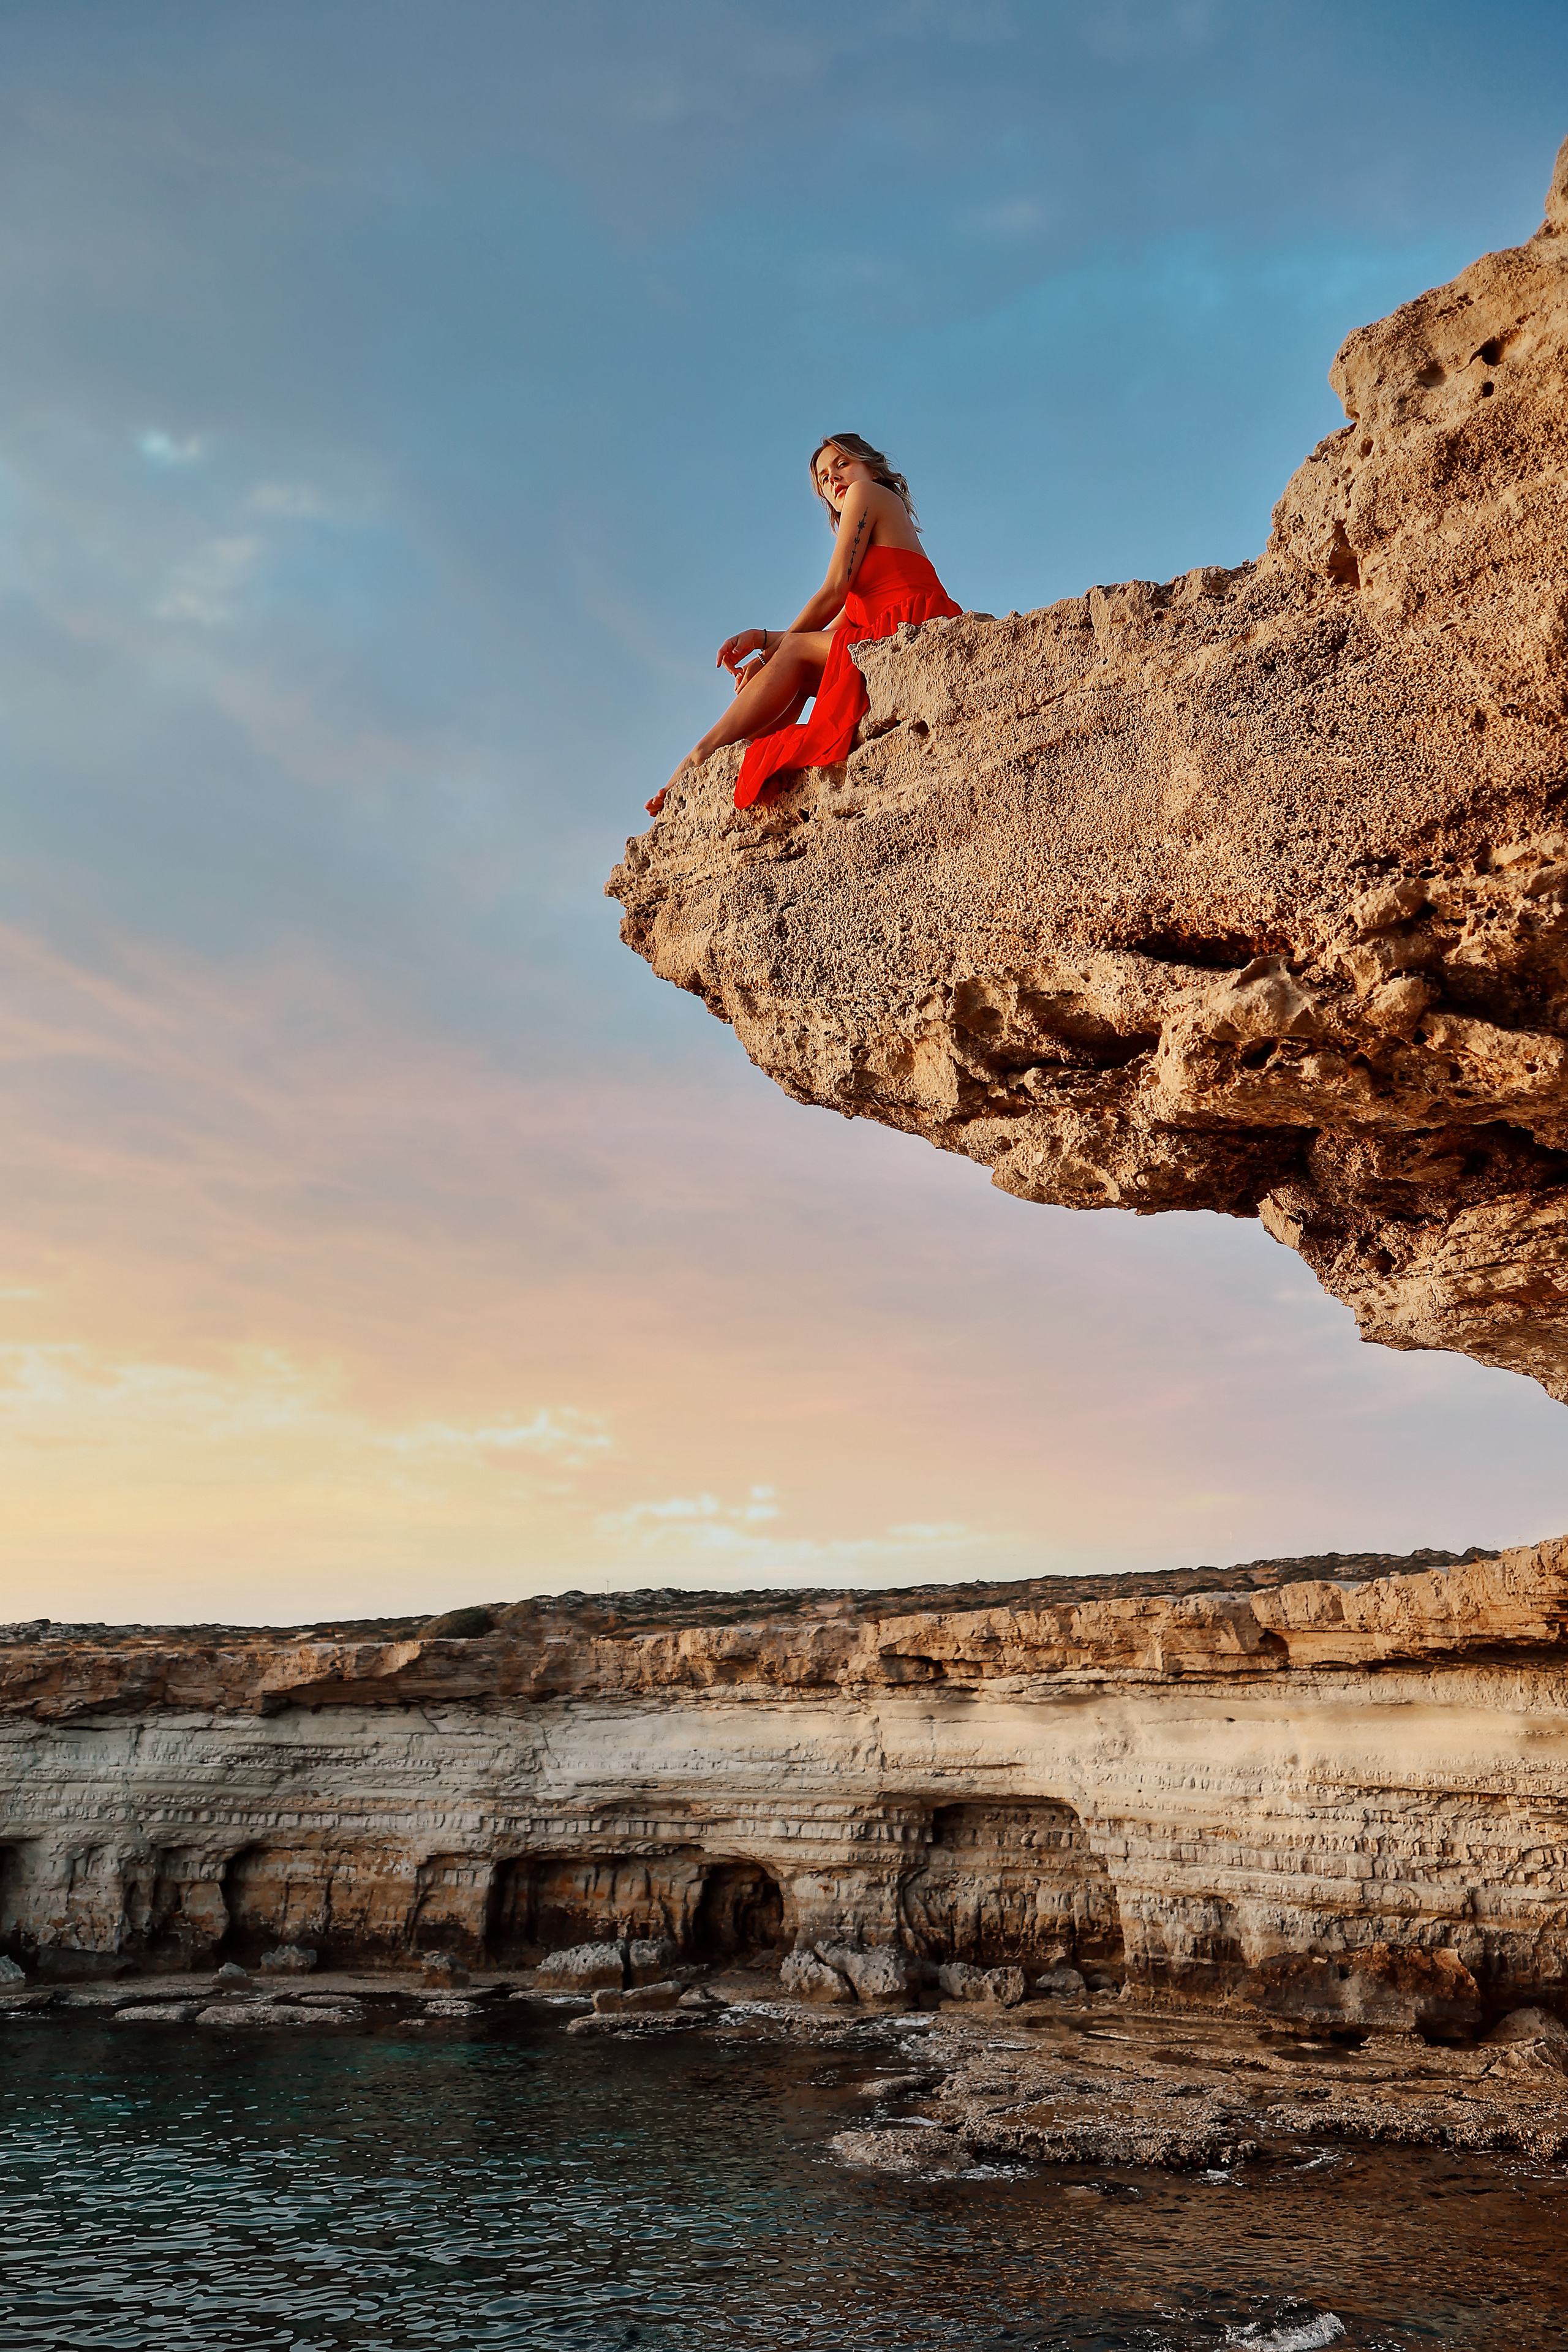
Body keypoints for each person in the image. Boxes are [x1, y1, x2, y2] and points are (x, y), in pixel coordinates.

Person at [646, 434, 962, 817]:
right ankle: (728, 759)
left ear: (871, 467)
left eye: (842, 464)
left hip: (913, 623)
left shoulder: (868, 493)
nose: (834, 480)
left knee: (794, 653)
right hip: (886, 631)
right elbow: (830, 635)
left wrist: (768, 655)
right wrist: (765, 640)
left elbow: (831, 593)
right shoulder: (866, 558)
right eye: (824, 479)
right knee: (799, 661)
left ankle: (700, 757)